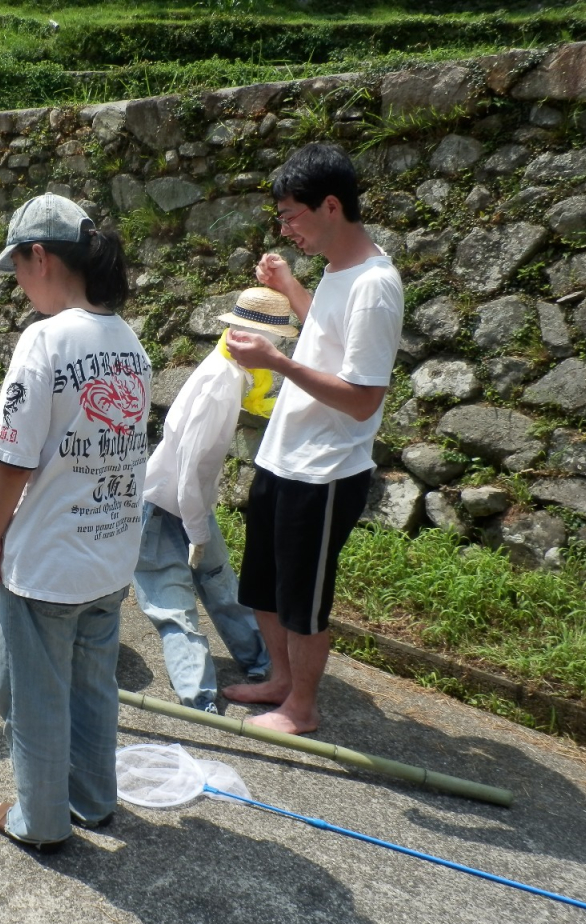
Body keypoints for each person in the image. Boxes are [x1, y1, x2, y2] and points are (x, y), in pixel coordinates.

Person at [0, 194, 152, 849]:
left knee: (35, 701)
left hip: (49, 563)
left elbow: (13, 458)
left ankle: (41, 822)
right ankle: (92, 800)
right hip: (110, 554)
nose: (19, 285)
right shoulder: (128, 340)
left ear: (40, 257)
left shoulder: (45, 339)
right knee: (92, 689)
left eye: (17, 269)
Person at [220, 143, 404, 734]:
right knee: (263, 586)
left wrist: (279, 362)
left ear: (330, 206)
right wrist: (289, 284)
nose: (285, 228)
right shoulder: (337, 270)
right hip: (285, 454)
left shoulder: (375, 284)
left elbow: (362, 398)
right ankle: (279, 681)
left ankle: (302, 708)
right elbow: (322, 332)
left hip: (325, 469)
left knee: (303, 600)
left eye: (290, 217)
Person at [134, 294, 283, 712]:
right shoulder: (222, 381)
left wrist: (199, 525)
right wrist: (197, 532)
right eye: (274, 343)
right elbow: (189, 466)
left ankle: (264, 663)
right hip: (167, 505)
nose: (278, 353)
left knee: (220, 586)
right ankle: (199, 696)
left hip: (187, 503)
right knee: (173, 605)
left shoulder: (233, 372)